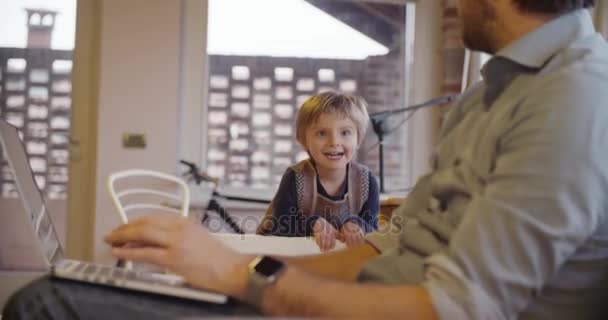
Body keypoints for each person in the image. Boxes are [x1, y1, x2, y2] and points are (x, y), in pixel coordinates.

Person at [4, 0, 608, 319]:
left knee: (44, 306)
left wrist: (239, 277)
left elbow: (454, 308)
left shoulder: (574, 96)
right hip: (356, 293)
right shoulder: (494, 89)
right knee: (66, 292)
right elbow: (387, 247)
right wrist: (231, 267)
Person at [256, 91, 379, 252]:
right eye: (322, 133)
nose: (334, 142)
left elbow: (374, 229)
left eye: (345, 133)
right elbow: (280, 225)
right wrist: (313, 224)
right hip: (287, 257)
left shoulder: (367, 181)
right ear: (303, 139)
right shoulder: (295, 177)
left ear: (358, 139)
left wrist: (357, 224)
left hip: (336, 260)